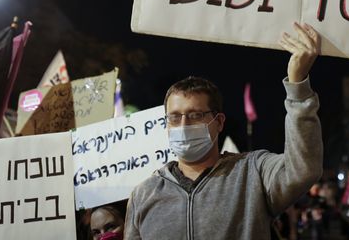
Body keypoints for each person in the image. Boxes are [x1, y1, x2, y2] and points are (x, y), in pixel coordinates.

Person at [124, 22, 322, 239]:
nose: (183, 124)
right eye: (174, 117)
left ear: (218, 122)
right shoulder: (144, 195)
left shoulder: (253, 173)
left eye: (195, 115)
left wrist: (298, 86)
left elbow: (303, 169)